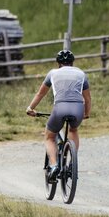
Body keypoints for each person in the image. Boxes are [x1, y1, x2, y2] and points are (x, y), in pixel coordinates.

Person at [26, 49, 91, 182]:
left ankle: (54, 165)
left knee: (49, 137)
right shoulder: (81, 74)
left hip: (60, 108)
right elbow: (88, 99)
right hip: (78, 108)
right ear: (72, 62)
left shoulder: (52, 73)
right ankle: (73, 161)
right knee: (73, 129)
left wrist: (31, 108)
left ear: (58, 63)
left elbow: (40, 94)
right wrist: (86, 114)